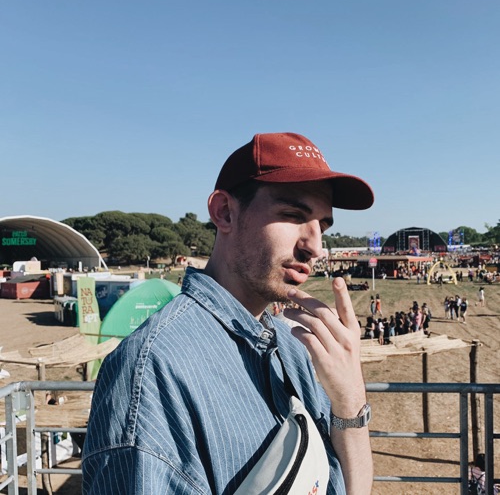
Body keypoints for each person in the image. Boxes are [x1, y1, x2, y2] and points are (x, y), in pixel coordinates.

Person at [82, 132, 374, 494]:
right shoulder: (152, 371)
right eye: (292, 215)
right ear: (224, 213)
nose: (315, 246)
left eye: (322, 226)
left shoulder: (294, 346)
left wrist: (350, 402)